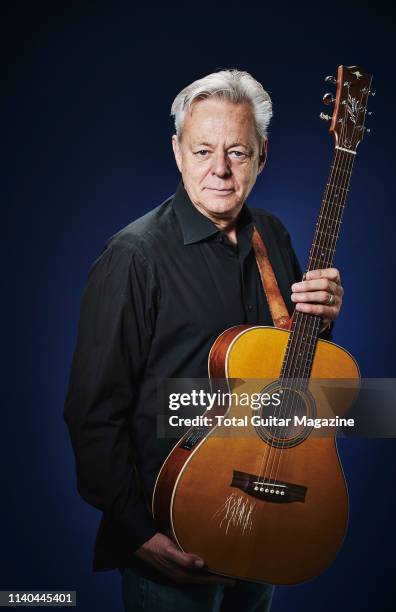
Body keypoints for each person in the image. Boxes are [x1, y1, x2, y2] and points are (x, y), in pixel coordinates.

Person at [64, 69, 343, 611]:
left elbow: (290, 380)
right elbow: (92, 412)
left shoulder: (274, 236)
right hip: (171, 536)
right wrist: (138, 535)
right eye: (202, 150)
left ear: (262, 155)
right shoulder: (133, 257)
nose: (219, 169)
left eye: (237, 152)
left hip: (264, 519)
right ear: (177, 152)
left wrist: (322, 321)